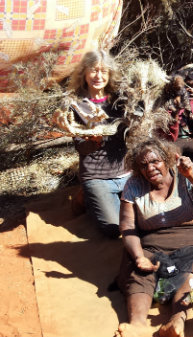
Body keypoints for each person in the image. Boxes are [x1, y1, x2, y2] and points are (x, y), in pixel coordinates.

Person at [116, 139, 193, 337]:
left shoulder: (184, 173)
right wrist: (139, 256)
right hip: (152, 241)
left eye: (155, 161)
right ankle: (137, 325)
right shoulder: (134, 184)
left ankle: (177, 319)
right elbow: (127, 226)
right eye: (143, 165)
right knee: (140, 271)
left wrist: (190, 175)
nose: (150, 168)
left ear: (166, 160)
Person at [68, 50, 129, 238]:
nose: (98, 76)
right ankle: (86, 195)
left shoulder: (122, 101)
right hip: (97, 175)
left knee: (146, 219)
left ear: (110, 75)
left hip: (127, 171)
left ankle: (101, 198)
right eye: (93, 71)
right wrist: (94, 142)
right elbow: (81, 147)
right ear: (84, 74)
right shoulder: (75, 105)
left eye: (104, 71)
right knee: (113, 229)